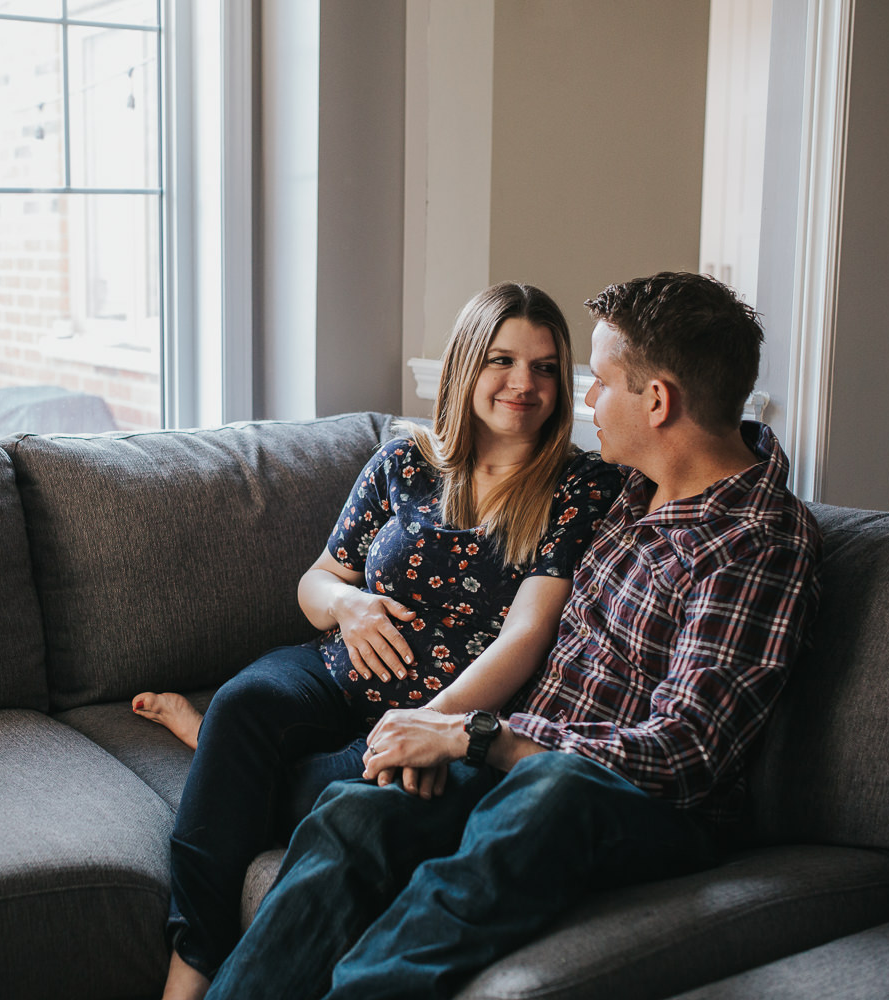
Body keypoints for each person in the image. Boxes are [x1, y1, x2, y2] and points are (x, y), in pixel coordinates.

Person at [201, 271, 823, 1000]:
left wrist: (473, 735)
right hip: (528, 758)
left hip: (640, 805)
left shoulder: (756, 541)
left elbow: (687, 753)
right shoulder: (629, 494)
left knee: (554, 788)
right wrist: (468, 741)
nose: (586, 400)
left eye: (600, 381)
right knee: (360, 812)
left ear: (657, 402)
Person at [132, 282, 624, 1000]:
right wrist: (350, 605)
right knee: (246, 703)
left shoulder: (580, 488)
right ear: (462, 367)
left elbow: (527, 634)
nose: (525, 384)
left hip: (440, 703)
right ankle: (188, 973)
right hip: (334, 670)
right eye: (502, 360)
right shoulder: (404, 464)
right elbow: (316, 583)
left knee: (339, 788)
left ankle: (216, 754)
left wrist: (430, 721)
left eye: (546, 367)